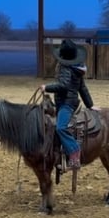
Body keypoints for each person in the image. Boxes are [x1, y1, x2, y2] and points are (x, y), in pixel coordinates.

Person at [39, 39, 95, 170]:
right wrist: (90, 105)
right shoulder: (78, 68)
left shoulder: (65, 67)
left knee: (60, 128)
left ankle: (75, 152)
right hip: (71, 101)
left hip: (66, 103)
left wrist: (46, 87)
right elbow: (82, 88)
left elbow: (63, 85)